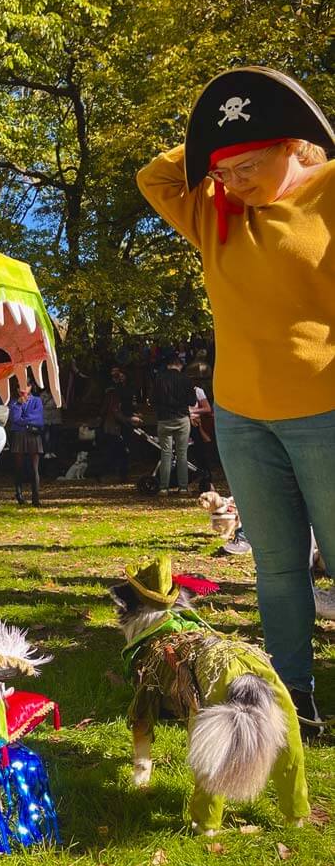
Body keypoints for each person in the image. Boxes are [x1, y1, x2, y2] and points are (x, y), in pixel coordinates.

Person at [138, 65, 335, 737]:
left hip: (326, 414)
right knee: (279, 569)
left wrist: (285, 115)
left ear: (293, 145)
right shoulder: (212, 211)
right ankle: (292, 702)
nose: (234, 182)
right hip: (244, 421)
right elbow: (155, 178)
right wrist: (213, 131)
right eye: (222, 170)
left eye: (250, 164)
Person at [152, 351, 196, 494]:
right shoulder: (186, 379)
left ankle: (164, 487)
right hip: (182, 418)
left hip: (164, 419)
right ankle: (183, 487)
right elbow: (192, 401)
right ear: (179, 365)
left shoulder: (159, 379)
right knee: (182, 454)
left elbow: (153, 400)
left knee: (166, 454)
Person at [98, 366, 141, 482]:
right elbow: (115, 410)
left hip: (121, 423)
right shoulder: (114, 392)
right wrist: (129, 419)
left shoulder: (125, 390)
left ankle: (120, 473)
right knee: (116, 450)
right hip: (116, 424)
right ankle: (113, 474)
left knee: (121, 450)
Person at [7, 380, 43, 505]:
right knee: (18, 466)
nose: (24, 389)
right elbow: (14, 419)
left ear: (30, 387)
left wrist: (24, 420)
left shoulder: (37, 400)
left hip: (33, 435)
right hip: (19, 435)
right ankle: (19, 494)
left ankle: (36, 497)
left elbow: (38, 418)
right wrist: (18, 405)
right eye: (21, 387)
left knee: (34, 467)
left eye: (26, 386)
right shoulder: (13, 402)